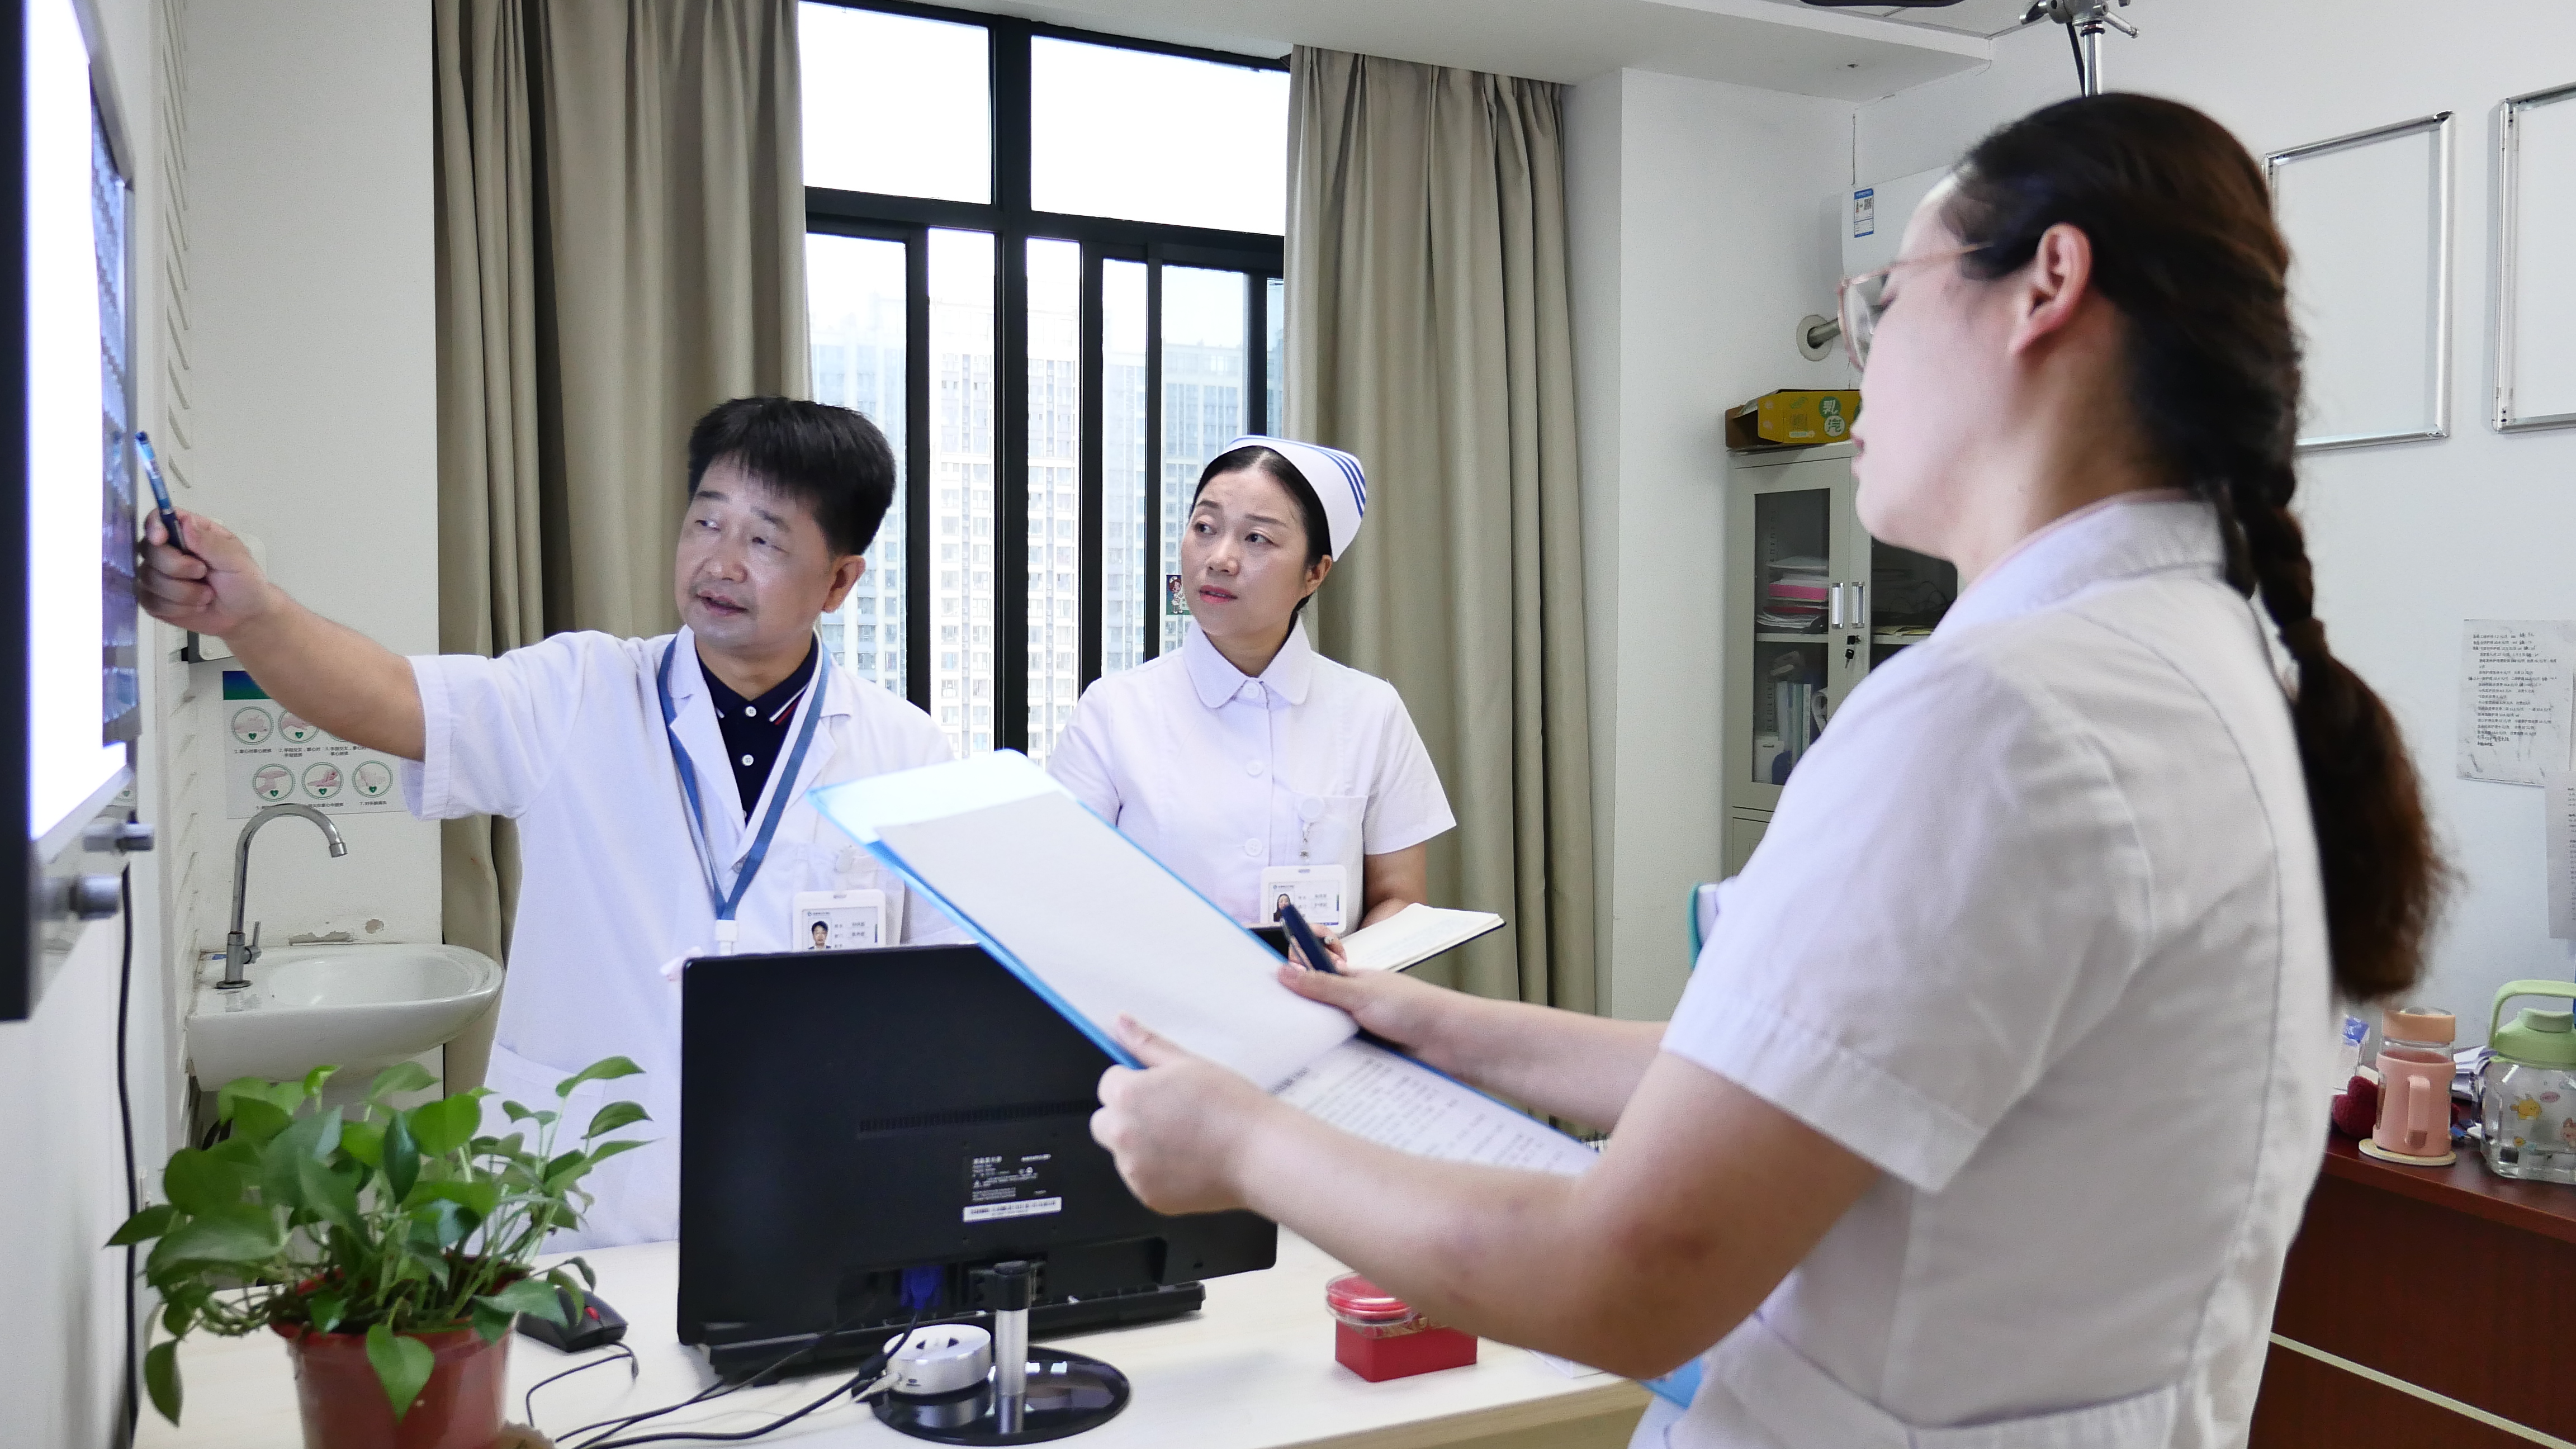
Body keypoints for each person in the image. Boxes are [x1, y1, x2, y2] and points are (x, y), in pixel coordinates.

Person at [1087, 95, 2443, 1449]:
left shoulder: (2000, 713)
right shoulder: (2202, 663)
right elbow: (1789, 1074)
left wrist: (1242, 1145)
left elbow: (1631, 1277)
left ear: (2046, 287)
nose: (1862, 367)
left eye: (1885, 303)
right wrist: (1431, 1022)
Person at [136, 397, 958, 1249]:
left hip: (806, 1194)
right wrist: (255, 616)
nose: (720, 562)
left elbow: (951, 992)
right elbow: (388, 698)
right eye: (706, 522)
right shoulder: (578, 691)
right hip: (581, 1198)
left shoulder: (908, 754)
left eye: (765, 541)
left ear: (839, 581)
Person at [1047, 437, 1453, 934]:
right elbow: (1063, 894)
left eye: (1257, 538)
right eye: (1205, 527)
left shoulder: (1372, 713)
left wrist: (1340, 966)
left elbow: (1399, 898)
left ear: (1314, 573)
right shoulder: (1113, 711)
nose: (1220, 558)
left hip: (1323, 987)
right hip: (1151, 987)